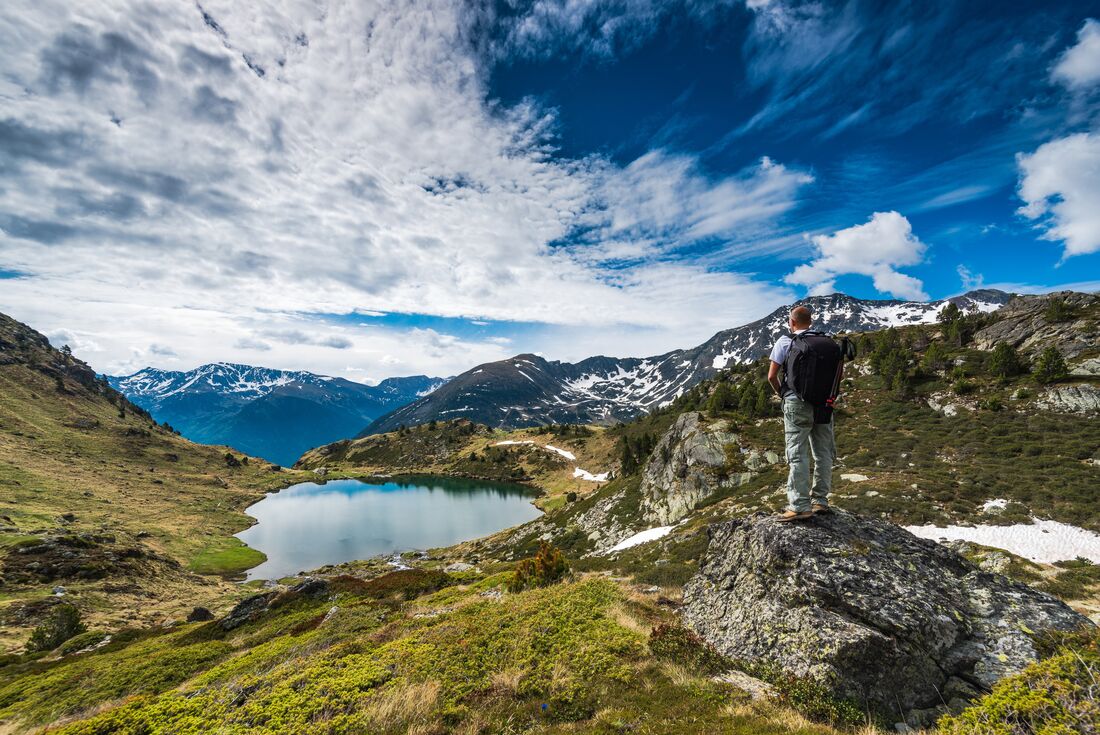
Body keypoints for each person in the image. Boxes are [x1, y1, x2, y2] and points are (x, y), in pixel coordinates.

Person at [767, 305, 841, 522]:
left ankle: (799, 506)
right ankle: (820, 501)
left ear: (792, 322)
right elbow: (838, 374)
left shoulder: (785, 342)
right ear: (811, 321)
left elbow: (772, 376)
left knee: (797, 453)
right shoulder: (828, 343)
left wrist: (783, 393)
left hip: (796, 402)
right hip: (824, 403)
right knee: (823, 452)